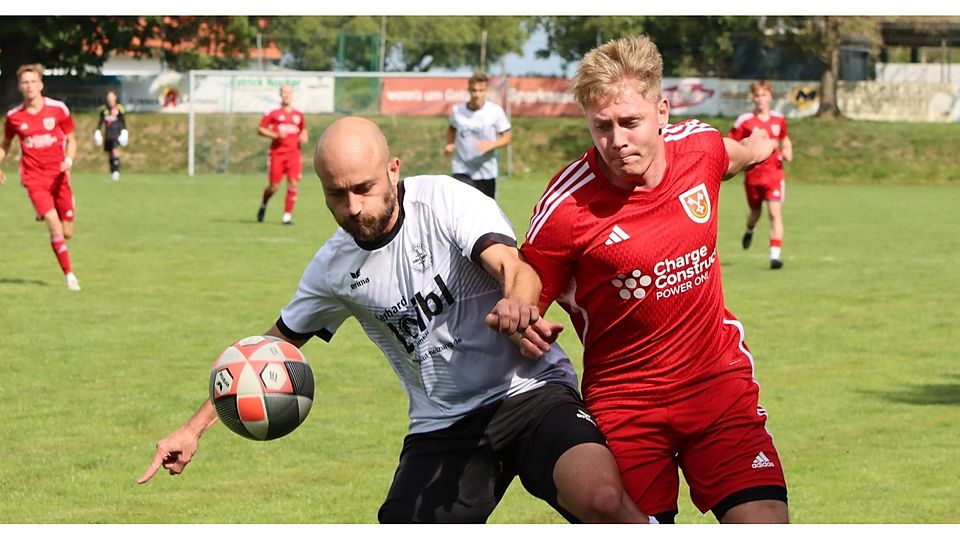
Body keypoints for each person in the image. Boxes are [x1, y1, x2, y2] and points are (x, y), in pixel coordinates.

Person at [139, 116, 652, 525]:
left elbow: (511, 265)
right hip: (444, 424)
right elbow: (268, 349)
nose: (354, 207)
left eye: (363, 187)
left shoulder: (446, 201)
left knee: (604, 503)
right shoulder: (333, 268)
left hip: (530, 392)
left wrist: (518, 303)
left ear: (393, 169)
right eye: (336, 194)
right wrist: (194, 429)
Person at [516, 36, 789, 524]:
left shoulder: (699, 147)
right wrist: (517, 312)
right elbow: (527, 277)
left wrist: (759, 147)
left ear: (662, 112)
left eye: (630, 122)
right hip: (626, 403)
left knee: (765, 519)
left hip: (717, 385)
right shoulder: (566, 207)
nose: (616, 140)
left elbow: (731, 155)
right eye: (602, 126)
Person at [0, 63, 80, 291]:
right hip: (34, 179)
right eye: (25, 82)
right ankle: (70, 276)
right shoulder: (14, 117)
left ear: (41, 84)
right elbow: (5, 144)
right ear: (19, 86)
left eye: (33, 81)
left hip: (59, 177)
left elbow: (71, 139)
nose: (29, 86)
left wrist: (69, 160)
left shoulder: (58, 109)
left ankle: (53, 208)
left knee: (67, 232)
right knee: (55, 228)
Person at [727, 80, 794, 269]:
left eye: (764, 95)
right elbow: (731, 143)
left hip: (774, 175)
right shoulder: (745, 121)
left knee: (774, 213)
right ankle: (749, 230)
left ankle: (775, 257)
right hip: (753, 177)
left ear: (770, 97)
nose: (760, 99)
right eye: (757, 96)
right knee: (755, 213)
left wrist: (788, 149)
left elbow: (785, 139)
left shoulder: (779, 119)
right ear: (753, 98)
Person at [443, 72, 511, 199]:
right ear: (469, 89)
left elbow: (507, 138)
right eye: (474, 90)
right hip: (462, 170)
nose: (477, 95)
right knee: (461, 208)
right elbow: (452, 128)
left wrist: (491, 145)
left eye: (480, 90)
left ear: (486, 91)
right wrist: (450, 143)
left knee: (485, 212)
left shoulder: (495, 111)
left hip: (486, 172)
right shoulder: (457, 111)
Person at [256, 84, 308, 225]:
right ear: (280, 94)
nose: (287, 95)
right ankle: (264, 203)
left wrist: (304, 136)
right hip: (277, 154)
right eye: (284, 92)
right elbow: (260, 129)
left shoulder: (298, 114)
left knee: (293, 183)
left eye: (289, 92)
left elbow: (303, 130)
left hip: (294, 154)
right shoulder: (272, 112)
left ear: (292, 94)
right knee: (274, 186)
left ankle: (287, 216)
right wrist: (275, 134)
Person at [93, 89, 129, 182]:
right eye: (109, 97)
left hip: (116, 134)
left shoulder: (119, 109)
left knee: (114, 151)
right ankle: (112, 171)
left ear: (115, 97)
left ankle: (116, 172)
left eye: (112, 97)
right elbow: (100, 123)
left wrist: (124, 131)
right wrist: (97, 132)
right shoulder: (103, 110)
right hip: (107, 134)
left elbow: (123, 121)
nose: (110, 99)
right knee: (109, 153)